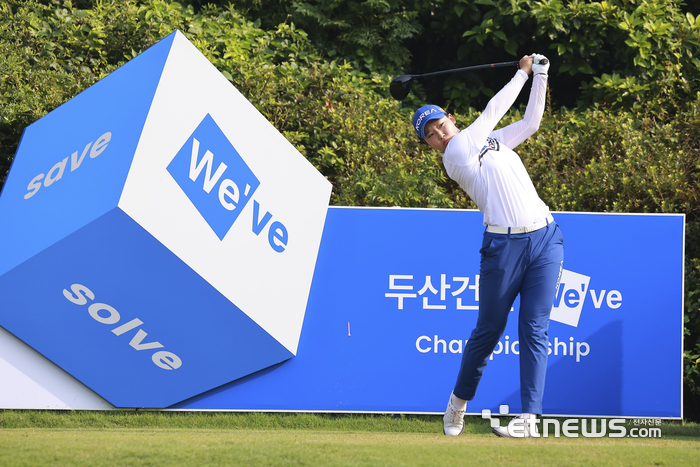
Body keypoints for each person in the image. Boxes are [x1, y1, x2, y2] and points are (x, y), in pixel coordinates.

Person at [412, 54, 564, 438]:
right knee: (488, 331)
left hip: (545, 238)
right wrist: (522, 73)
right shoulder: (456, 155)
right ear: (431, 145)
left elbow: (530, 123)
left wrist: (541, 76)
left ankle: (530, 418)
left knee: (534, 329)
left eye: (440, 124)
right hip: (503, 248)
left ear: (450, 118)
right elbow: (494, 110)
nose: (439, 134)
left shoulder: (492, 142)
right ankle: (458, 404)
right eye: (430, 134)